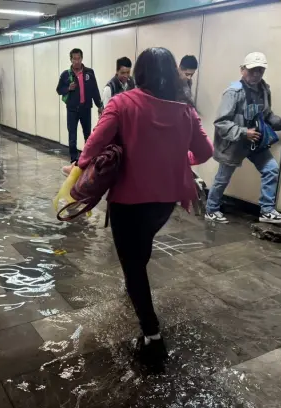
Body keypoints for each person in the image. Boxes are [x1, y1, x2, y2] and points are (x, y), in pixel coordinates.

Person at [76, 47, 213, 370]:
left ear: (139, 73)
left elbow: (95, 142)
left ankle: (152, 336)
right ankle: (135, 289)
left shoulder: (122, 103)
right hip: (165, 199)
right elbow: (205, 152)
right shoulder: (185, 110)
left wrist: (81, 167)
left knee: (132, 262)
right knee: (142, 246)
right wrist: (181, 160)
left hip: (128, 197)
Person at [205, 52, 281, 224]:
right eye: (252, 70)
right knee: (223, 177)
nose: (256, 74)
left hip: (256, 141)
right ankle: (211, 209)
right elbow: (221, 122)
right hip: (234, 142)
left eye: (260, 70)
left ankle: (267, 210)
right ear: (242, 70)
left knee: (271, 169)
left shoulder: (264, 89)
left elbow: (267, 116)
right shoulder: (233, 91)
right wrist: (243, 132)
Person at [56, 48, 104, 175]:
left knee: (88, 135)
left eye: (78, 58)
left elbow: (95, 90)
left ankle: (87, 160)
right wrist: (68, 88)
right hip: (72, 109)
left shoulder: (89, 73)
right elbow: (59, 90)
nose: (76, 61)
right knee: (72, 136)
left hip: (85, 108)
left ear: (82, 59)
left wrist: (99, 105)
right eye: (74, 59)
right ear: (70, 59)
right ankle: (73, 162)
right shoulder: (66, 74)